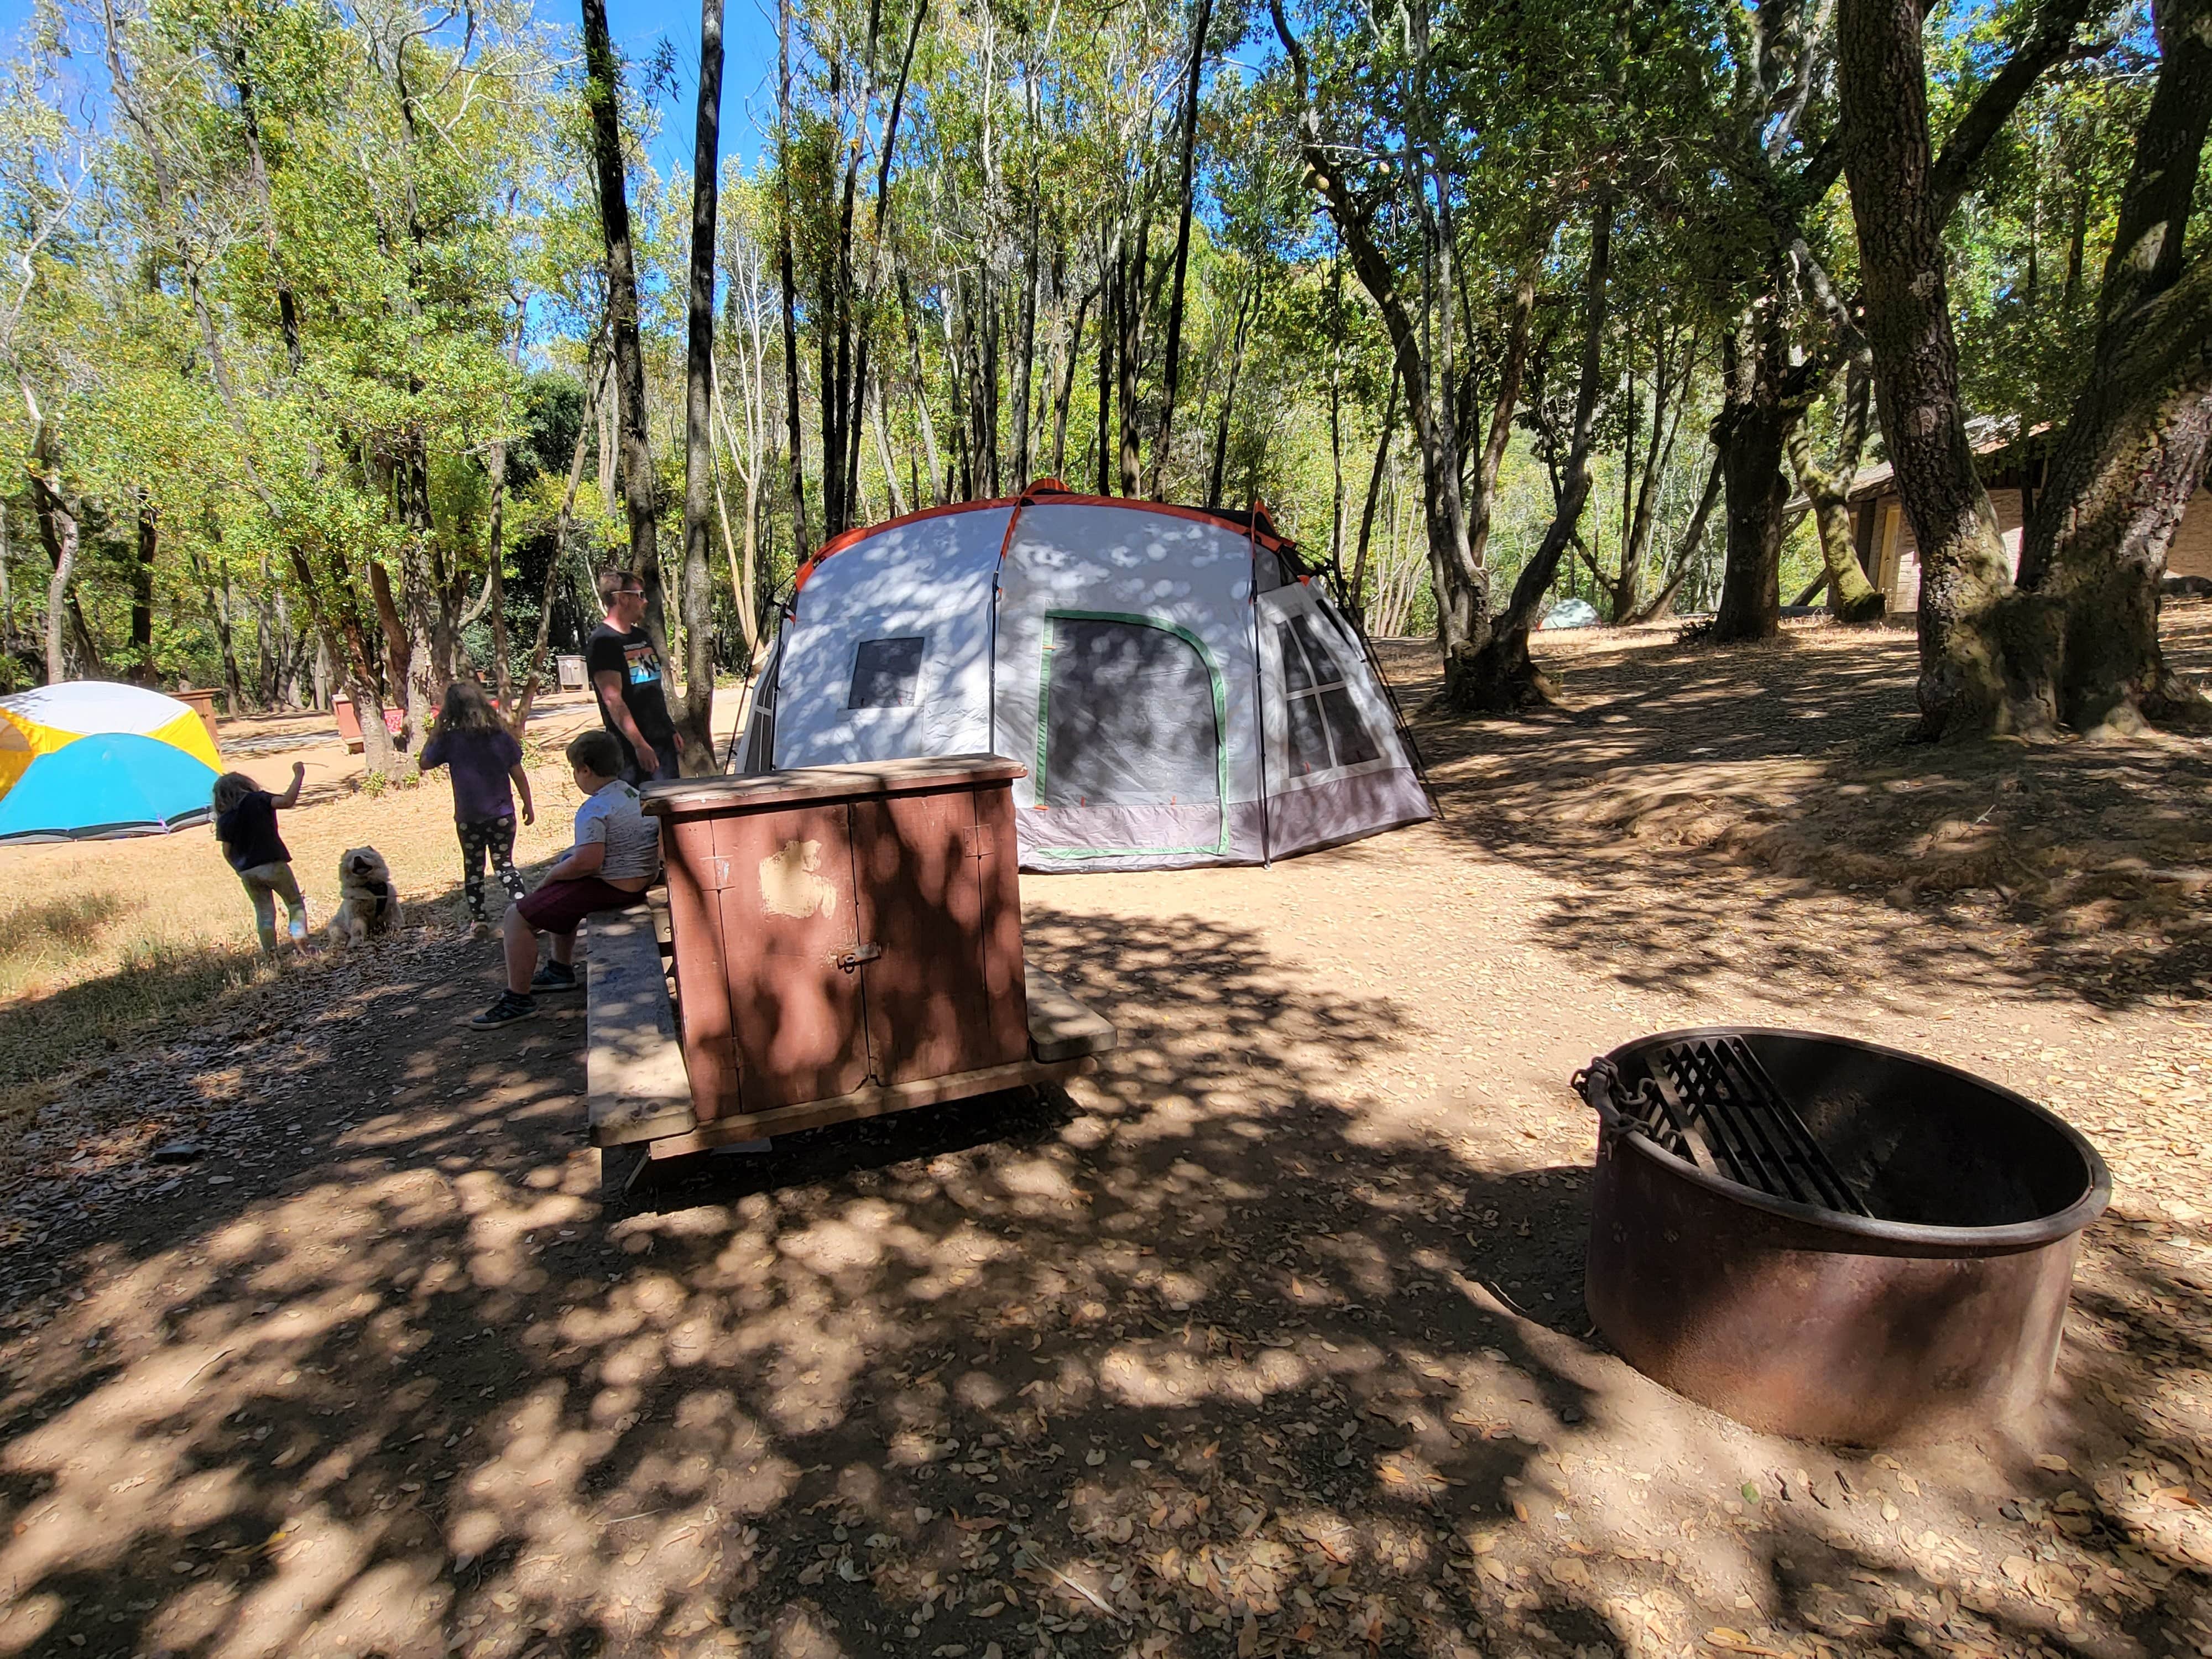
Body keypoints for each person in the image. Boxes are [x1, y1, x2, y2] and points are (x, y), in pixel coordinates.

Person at [472, 729, 660, 1029]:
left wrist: (551, 876)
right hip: (637, 878)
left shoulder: (595, 809)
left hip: (614, 886)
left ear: (585, 769)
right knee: (565, 875)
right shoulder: (631, 794)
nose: (575, 776)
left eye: (575, 770)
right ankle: (559, 969)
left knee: (516, 917)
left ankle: (517, 999)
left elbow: (588, 862)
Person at [419, 680, 536, 936]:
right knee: (505, 864)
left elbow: (425, 762)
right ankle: (525, 910)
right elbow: (517, 772)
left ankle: (479, 919)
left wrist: (436, 729)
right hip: (503, 814)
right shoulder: (499, 736)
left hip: (469, 817)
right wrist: (528, 803)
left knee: (473, 868)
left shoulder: (449, 740)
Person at [586, 569, 681, 786]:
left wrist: (670, 729)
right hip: (633, 751)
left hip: (662, 744)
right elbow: (613, 700)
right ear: (622, 598)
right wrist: (640, 745)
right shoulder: (603, 643)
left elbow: (651, 689)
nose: (645, 602)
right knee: (644, 812)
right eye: (640, 596)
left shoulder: (642, 637)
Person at [212, 761, 311, 957]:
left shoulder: (224, 819)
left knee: (265, 912)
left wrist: (239, 871)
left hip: (248, 871)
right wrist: (299, 775)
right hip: (273, 862)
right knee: (294, 904)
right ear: (246, 785)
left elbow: (227, 851)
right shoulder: (259, 800)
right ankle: (303, 947)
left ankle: (271, 955)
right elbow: (286, 801)